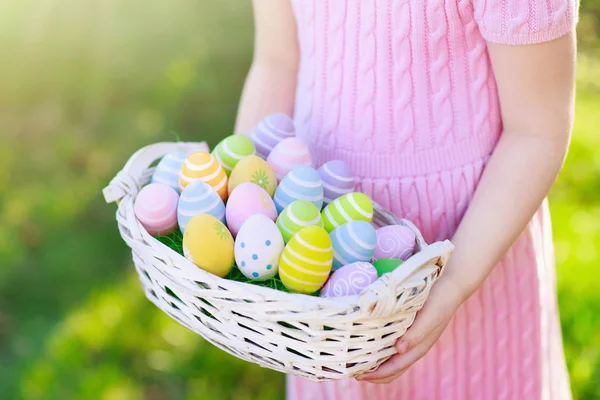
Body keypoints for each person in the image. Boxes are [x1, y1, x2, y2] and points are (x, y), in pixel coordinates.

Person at [235, 0, 578, 398]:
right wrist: (243, 201)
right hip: (323, 255)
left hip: (473, 246)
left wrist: (452, 283)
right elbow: (277, 61)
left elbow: (537, 130)